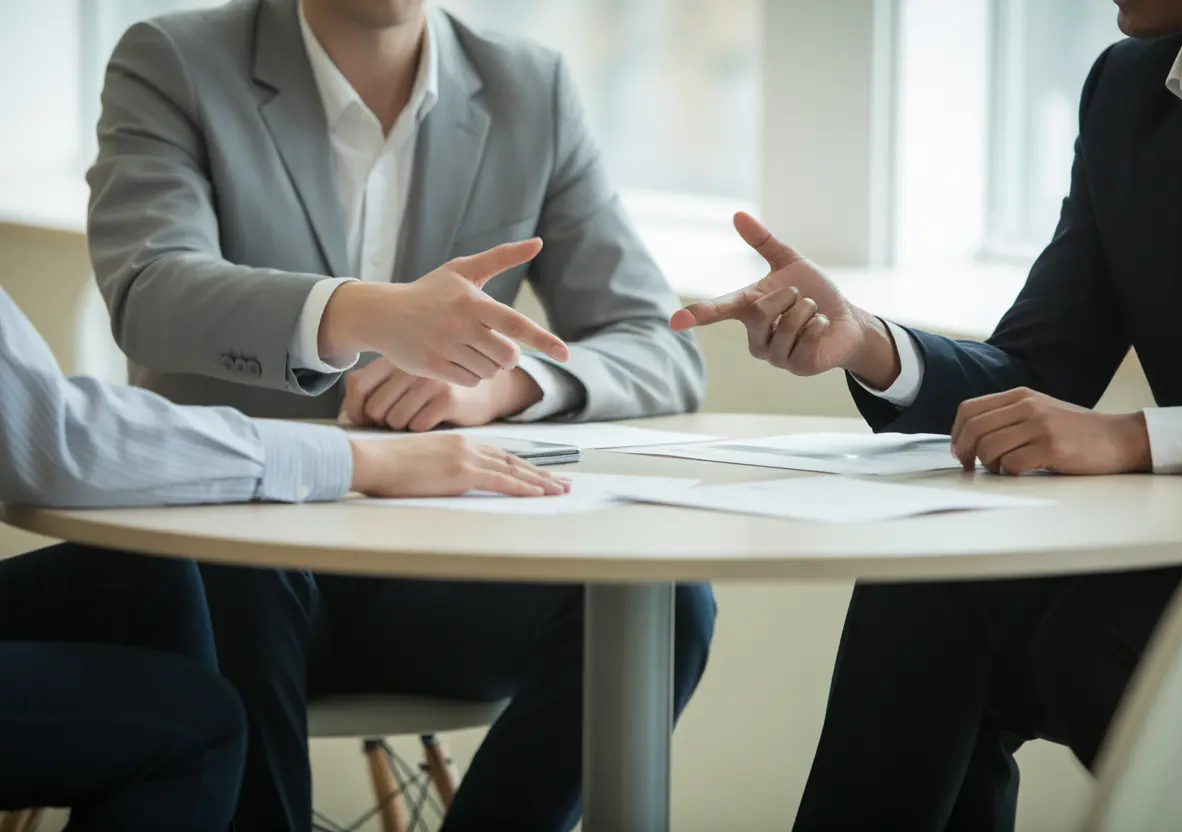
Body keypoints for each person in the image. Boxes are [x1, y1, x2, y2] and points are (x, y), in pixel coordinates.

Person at [86, 1, 716, 829]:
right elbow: (149, 290)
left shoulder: (532, 89)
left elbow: (660, 346)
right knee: (244, 576)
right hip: (232, 565)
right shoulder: (174, 58)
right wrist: (364, 313)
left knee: (666, 605)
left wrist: (502, 384)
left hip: (432, 572)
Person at [671, 0, 1182, 827]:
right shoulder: (1130, 89)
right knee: (932, 586)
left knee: (1087, 642)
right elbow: (1040, 367)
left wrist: (1137, 438)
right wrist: (869, 344)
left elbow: (1115, 431)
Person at [0, 277, 567, 830]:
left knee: (156, 576)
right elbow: (58, 438)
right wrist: (358, 455)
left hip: (413, 576)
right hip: (268, 568)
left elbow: (642, 336)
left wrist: (499, 384)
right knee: (199, 711)